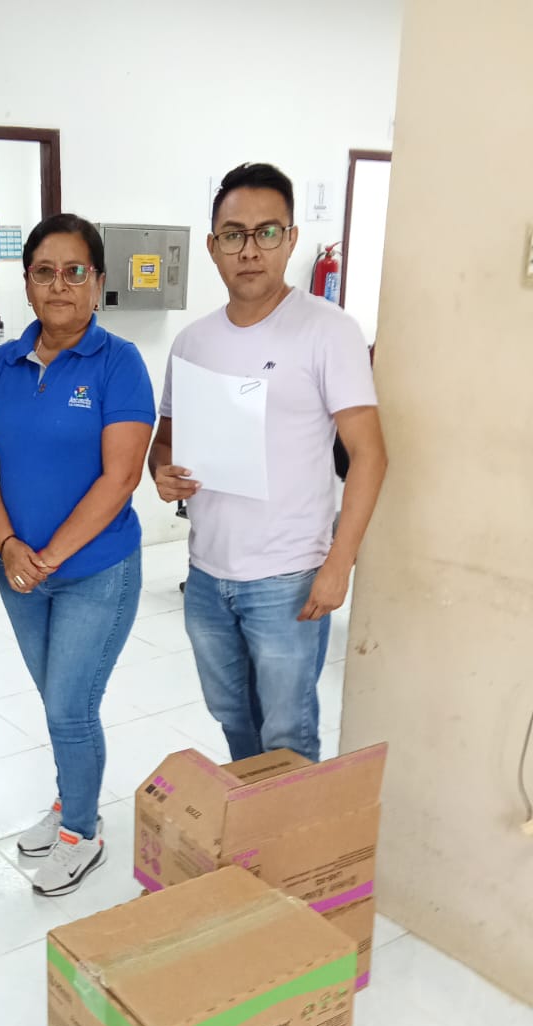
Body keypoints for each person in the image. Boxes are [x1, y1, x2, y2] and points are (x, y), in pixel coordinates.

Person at [150, 162, 387, 763]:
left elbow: (369, 455)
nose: (250, 250)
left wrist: (339, 565)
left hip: (289, 576)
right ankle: (253, 818)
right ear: (213, 247)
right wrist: (161, 472)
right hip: (207, 574)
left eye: (267, 232)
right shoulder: (193, 342)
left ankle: (292, 828)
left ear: (291, 238)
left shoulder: (327, 331)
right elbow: (165, 440)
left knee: (288, 731)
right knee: (232, 717)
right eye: (234, 235)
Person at [0, 213, 155, 895]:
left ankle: (82, 832)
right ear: (27, 283)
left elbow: (121, 478)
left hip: (95, 572)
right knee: (58, 703)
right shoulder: (3, 365)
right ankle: (71, 799)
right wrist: (7, 544)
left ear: (97, 282)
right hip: (19, 574)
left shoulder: (119, 364)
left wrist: (45, 556)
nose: (59, 285)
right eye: (44, 272)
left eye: (75, 271)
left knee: (70, 707)